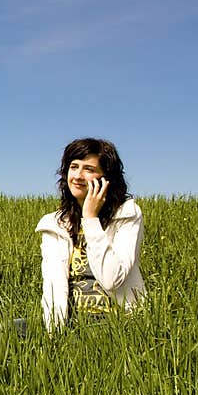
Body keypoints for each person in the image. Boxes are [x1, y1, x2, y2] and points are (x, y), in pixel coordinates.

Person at [34, 138, 145, 334]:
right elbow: (52, 288)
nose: (77, 175)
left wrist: (91, 218)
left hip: (115, 321)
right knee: (6, 330)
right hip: (69, 320)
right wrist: (55, 335)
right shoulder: (54, 224)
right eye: (73, 167)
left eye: (89, 169)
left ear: (106, 178)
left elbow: (112, 279)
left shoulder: (126, 215)